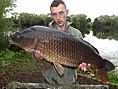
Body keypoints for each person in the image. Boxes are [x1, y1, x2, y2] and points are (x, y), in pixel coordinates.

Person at [35, 0, 88, 84]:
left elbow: (77, 64)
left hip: (70, 83)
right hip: (49, 82)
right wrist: (43, 57)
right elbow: (47, 67)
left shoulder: (76, 34)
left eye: (61, 13)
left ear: (67, 12)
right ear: (51, 15)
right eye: (54, 14)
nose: (58, 17)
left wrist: (84, 64)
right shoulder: (44, 34)